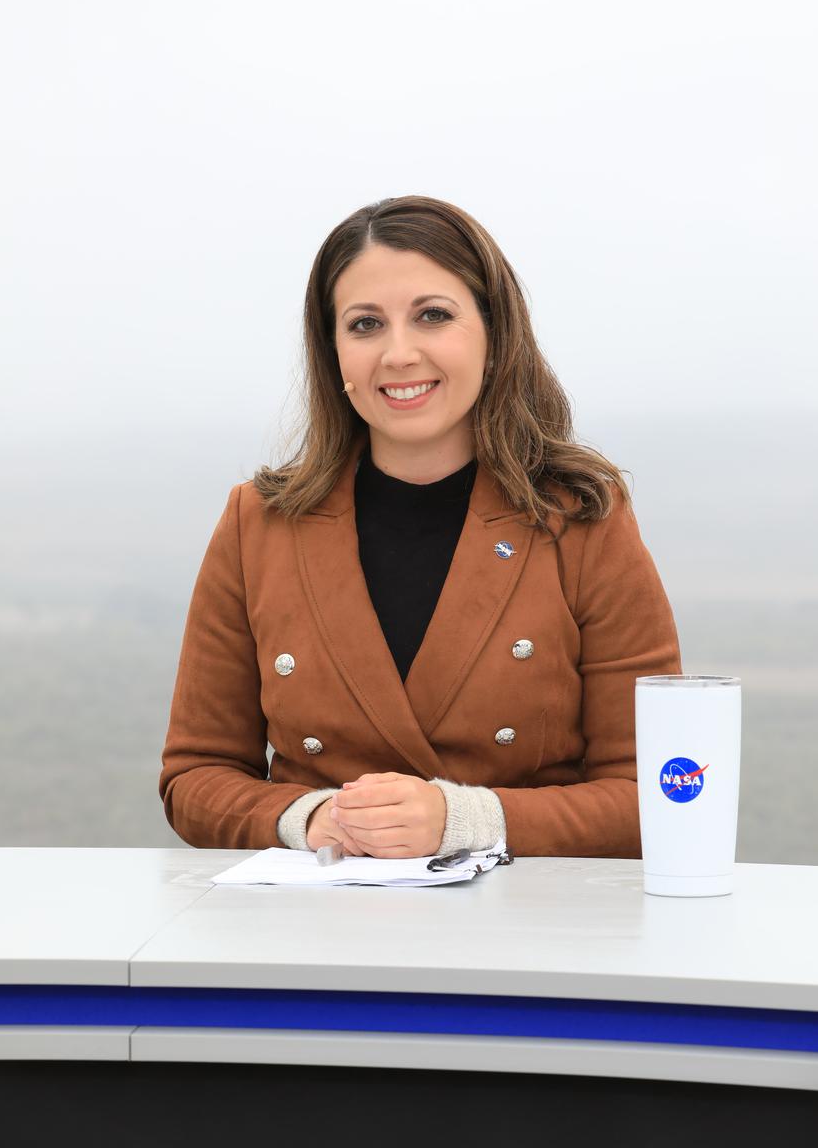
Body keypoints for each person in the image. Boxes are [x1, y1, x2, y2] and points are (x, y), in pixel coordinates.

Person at [159, 195, 682, 859]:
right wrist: (314, 818)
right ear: (333, 352)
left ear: (494, 334)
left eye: (432, 316)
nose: (398, 353)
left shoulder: (581, 517)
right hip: (309, 939)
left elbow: (660, 790)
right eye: (364, 324)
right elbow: (194, 777)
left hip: (527, 938)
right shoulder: (257, 523)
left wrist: (460, 820)